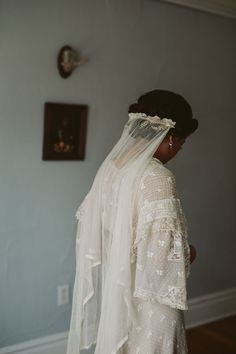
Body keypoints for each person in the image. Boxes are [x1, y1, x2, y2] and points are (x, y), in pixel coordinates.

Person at [66, 89, 198, 354]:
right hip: (152, 304)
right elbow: (162, 261)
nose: (182, 146)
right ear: (170, 137)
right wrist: (189, 253)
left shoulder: (113, 168)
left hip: (120, 292)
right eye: (182, 140)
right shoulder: (158, 177)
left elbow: (96, 230)